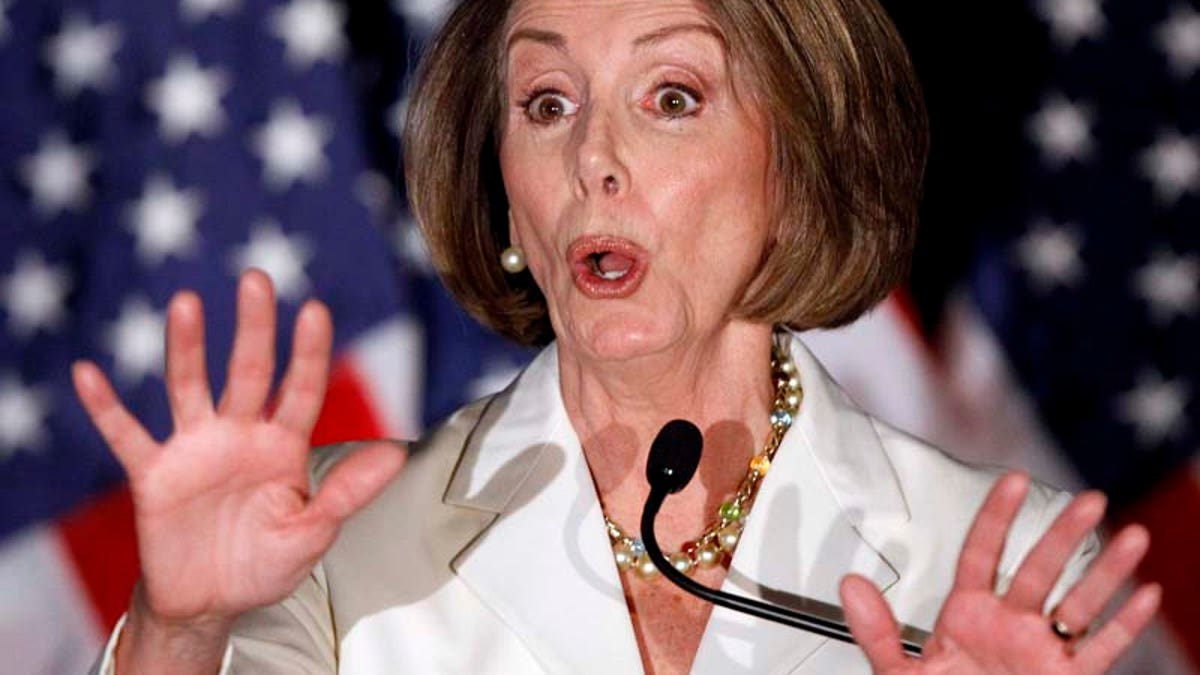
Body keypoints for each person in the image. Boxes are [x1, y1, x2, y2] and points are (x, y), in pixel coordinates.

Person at [78, 0, 1161, 673]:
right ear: (505, 201)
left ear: (801, 165)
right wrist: (175, 634)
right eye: (547, 103)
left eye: (672, 96)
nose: (596, 156)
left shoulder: (1004, 562)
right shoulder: (323, 546)